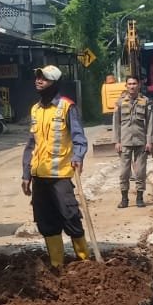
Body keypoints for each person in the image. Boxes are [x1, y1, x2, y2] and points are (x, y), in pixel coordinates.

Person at [20, 64, 89, 267]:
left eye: (44, 78)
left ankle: (84, 262)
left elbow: (79, 138)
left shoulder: (67, 106)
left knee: (70, 216)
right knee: (46, 221)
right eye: (38, 77)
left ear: (54, 83)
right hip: (39, 176)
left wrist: (78, 156)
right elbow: (31, 144)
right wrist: (26, 174)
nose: (39, 81)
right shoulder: (35, 109)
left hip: (60, 175)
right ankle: (57, 264)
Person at [111, 73, 153, 208]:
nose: (132, 86)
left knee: (140, 171)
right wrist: (116, 141)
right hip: (124, 142)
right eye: (129, 84)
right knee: (124, 172)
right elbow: (116, 124)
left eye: (134, 84)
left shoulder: (145, 102)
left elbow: (150, 123)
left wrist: (150, 142)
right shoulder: (120, 102)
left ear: (139, 85)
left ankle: (139, 198)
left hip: (140, 141)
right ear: (126, 85)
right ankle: (124, 199)